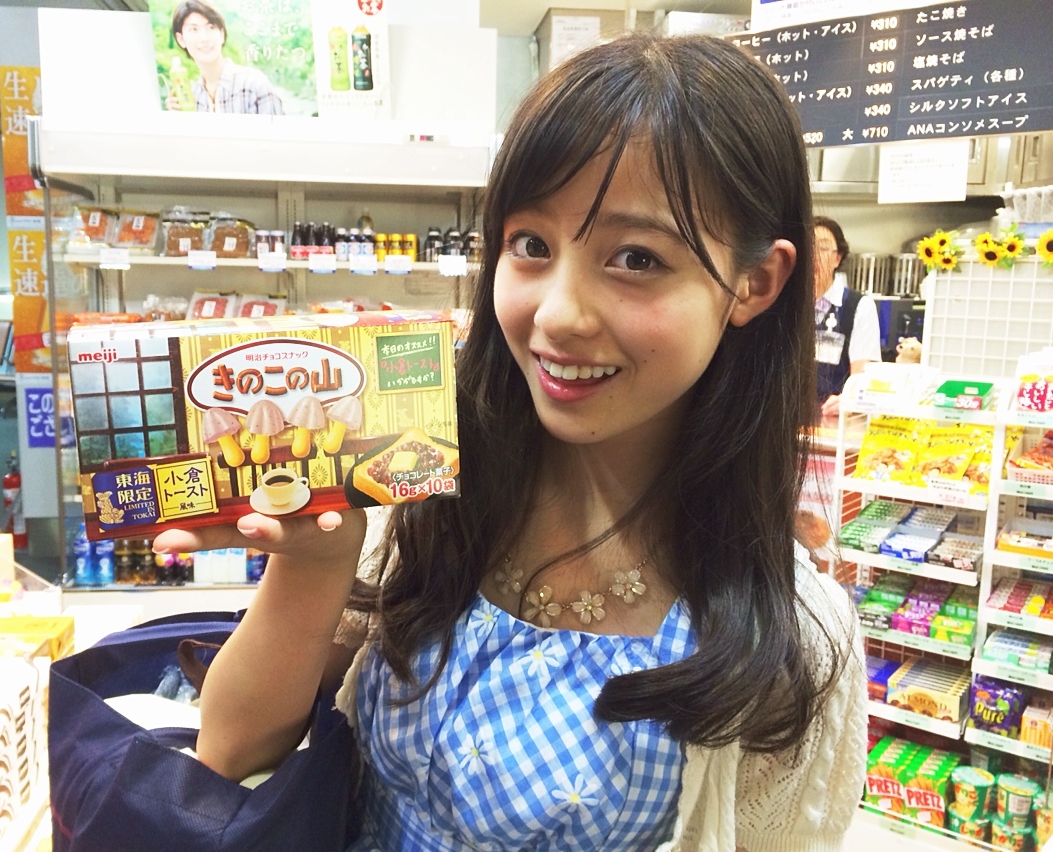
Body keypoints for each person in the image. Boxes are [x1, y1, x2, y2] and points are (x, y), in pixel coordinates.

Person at [154, 33, 866, 850]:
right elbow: (230, 755)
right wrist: (313, 566)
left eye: (636, 258)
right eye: (531, 245)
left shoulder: (792, 637)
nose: (556, 315)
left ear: (755, 281)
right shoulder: (424, 499)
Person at [813, 216, 881, 418]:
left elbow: (863, 378)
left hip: (834, 420)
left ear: (838, 258)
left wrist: (849, 399)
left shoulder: (859, 306)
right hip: (784, 420)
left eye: (822, 248)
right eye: (807, 247)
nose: (814, 256)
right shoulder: (783, 304)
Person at [167, 0, 283, 115]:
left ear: (222, 34)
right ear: (181, 39)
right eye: (194, 29)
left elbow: (278, 127)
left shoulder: (253, 84)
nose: (204, 38)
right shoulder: (192, 96)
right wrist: (178, 118)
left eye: (211, 27)